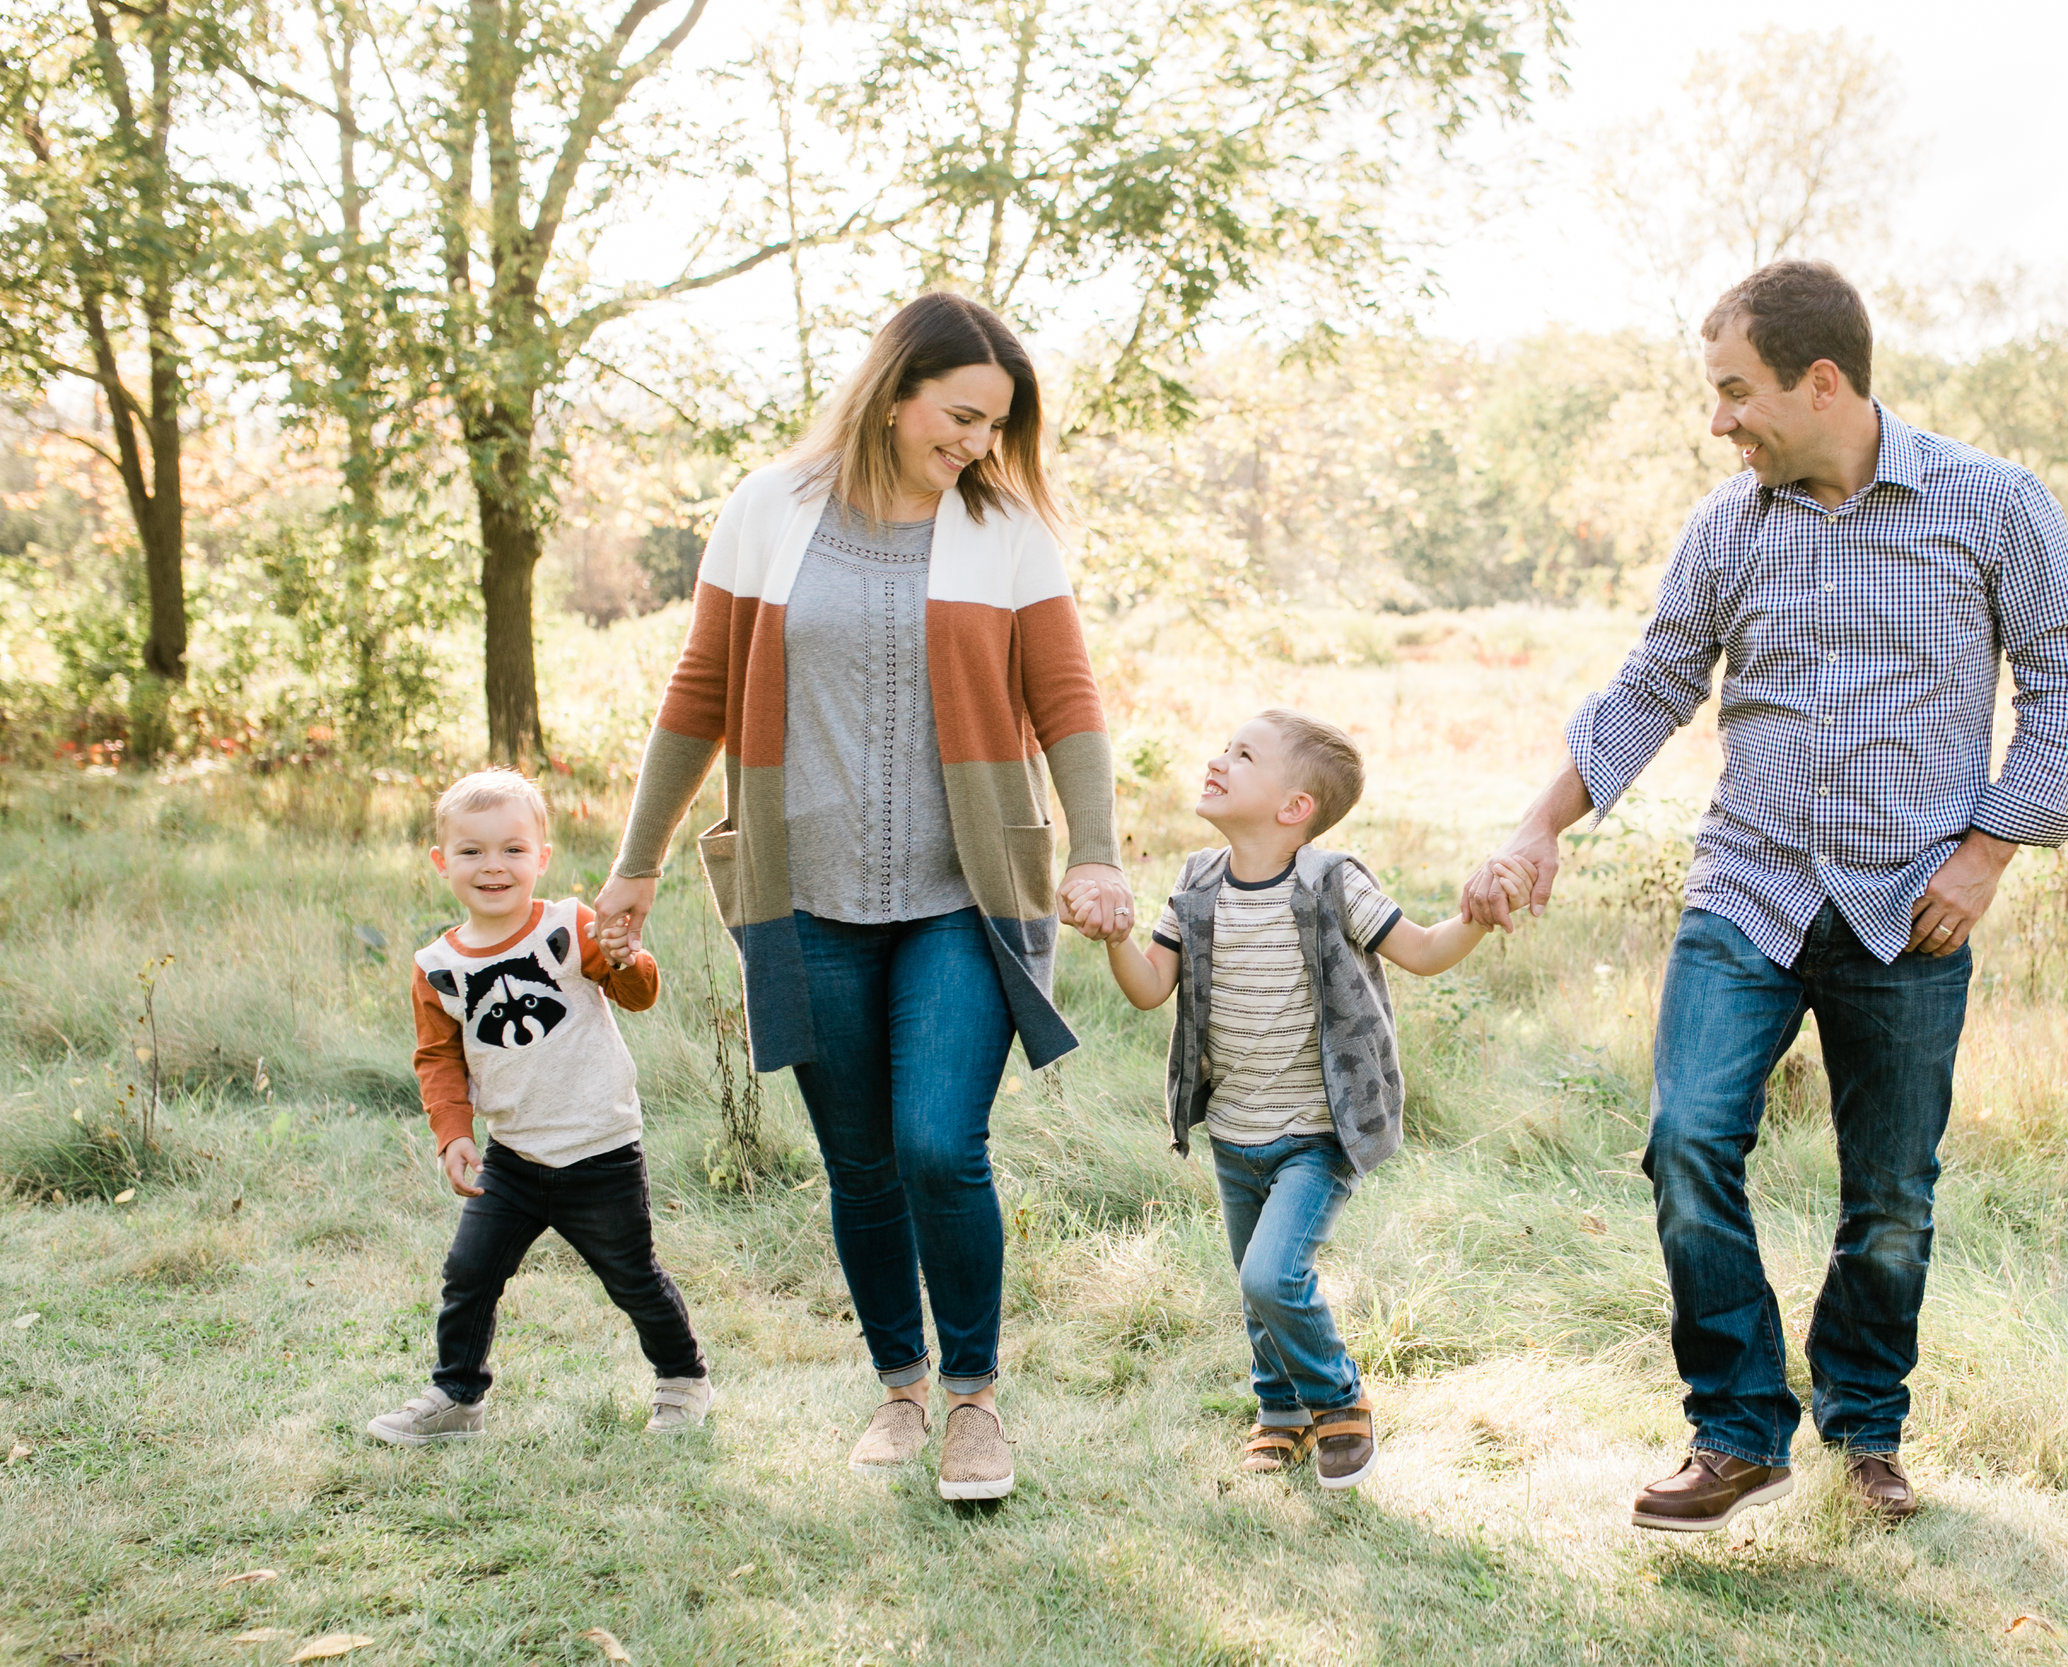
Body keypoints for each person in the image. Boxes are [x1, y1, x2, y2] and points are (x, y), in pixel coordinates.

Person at [1463, 261, 2068, 1531]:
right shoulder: (1728, 526)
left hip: (1912, 900)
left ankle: (1864, 1430)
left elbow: (2063, 684)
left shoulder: (1991, 506)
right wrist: (1541, 822)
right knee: (1688, 1137)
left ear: (1822, 383)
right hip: (1747, 887)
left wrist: (1986, 854)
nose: (1720, 423)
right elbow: (1653, 684)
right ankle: (1738, 1429)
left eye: (1734, 392)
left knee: (1892, 1192)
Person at [592, 293, 1130, 1502]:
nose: (979, 445)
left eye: (996, 424)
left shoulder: (1004, 529)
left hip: (964, 893)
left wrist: (1093, 850)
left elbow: (1068, 702)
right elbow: (698, 692)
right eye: (960, 416)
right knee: (859, 1162)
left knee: (941, 1144)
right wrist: (638, 860)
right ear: (894, 391)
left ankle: (974, 1402)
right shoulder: (770, 508)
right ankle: (898, 1381)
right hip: (806, 895)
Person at [1077, 710, 1526, 1488]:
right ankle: (1278, 1410)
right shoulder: (1197, 882)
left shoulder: (1331, 881)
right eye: (1224, 746)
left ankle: (1337, 1400)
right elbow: (1151, 987)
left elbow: (1419, 951)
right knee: (1255, 1278)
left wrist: (1475, 921)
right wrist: (1116, 933)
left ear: (1294, 808)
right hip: (1234, 1129)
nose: (1218, 759)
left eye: (1243, 755)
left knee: (1269, 1274)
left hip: (1320, 1132)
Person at [369, 768, 710, 1446]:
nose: (493, 865)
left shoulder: (570, 925)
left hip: (601, 1149)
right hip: (514, 1157)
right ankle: (457, 1395)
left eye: (512, 849)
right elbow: (438, 1059)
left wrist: (624, 955)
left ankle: (683, 1380)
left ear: (541, 857)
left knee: (632, 1275)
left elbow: (639, 994)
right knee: (470, 1272)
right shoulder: (437, 965)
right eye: (472, 851)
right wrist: (452, 1135)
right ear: (442, 862)